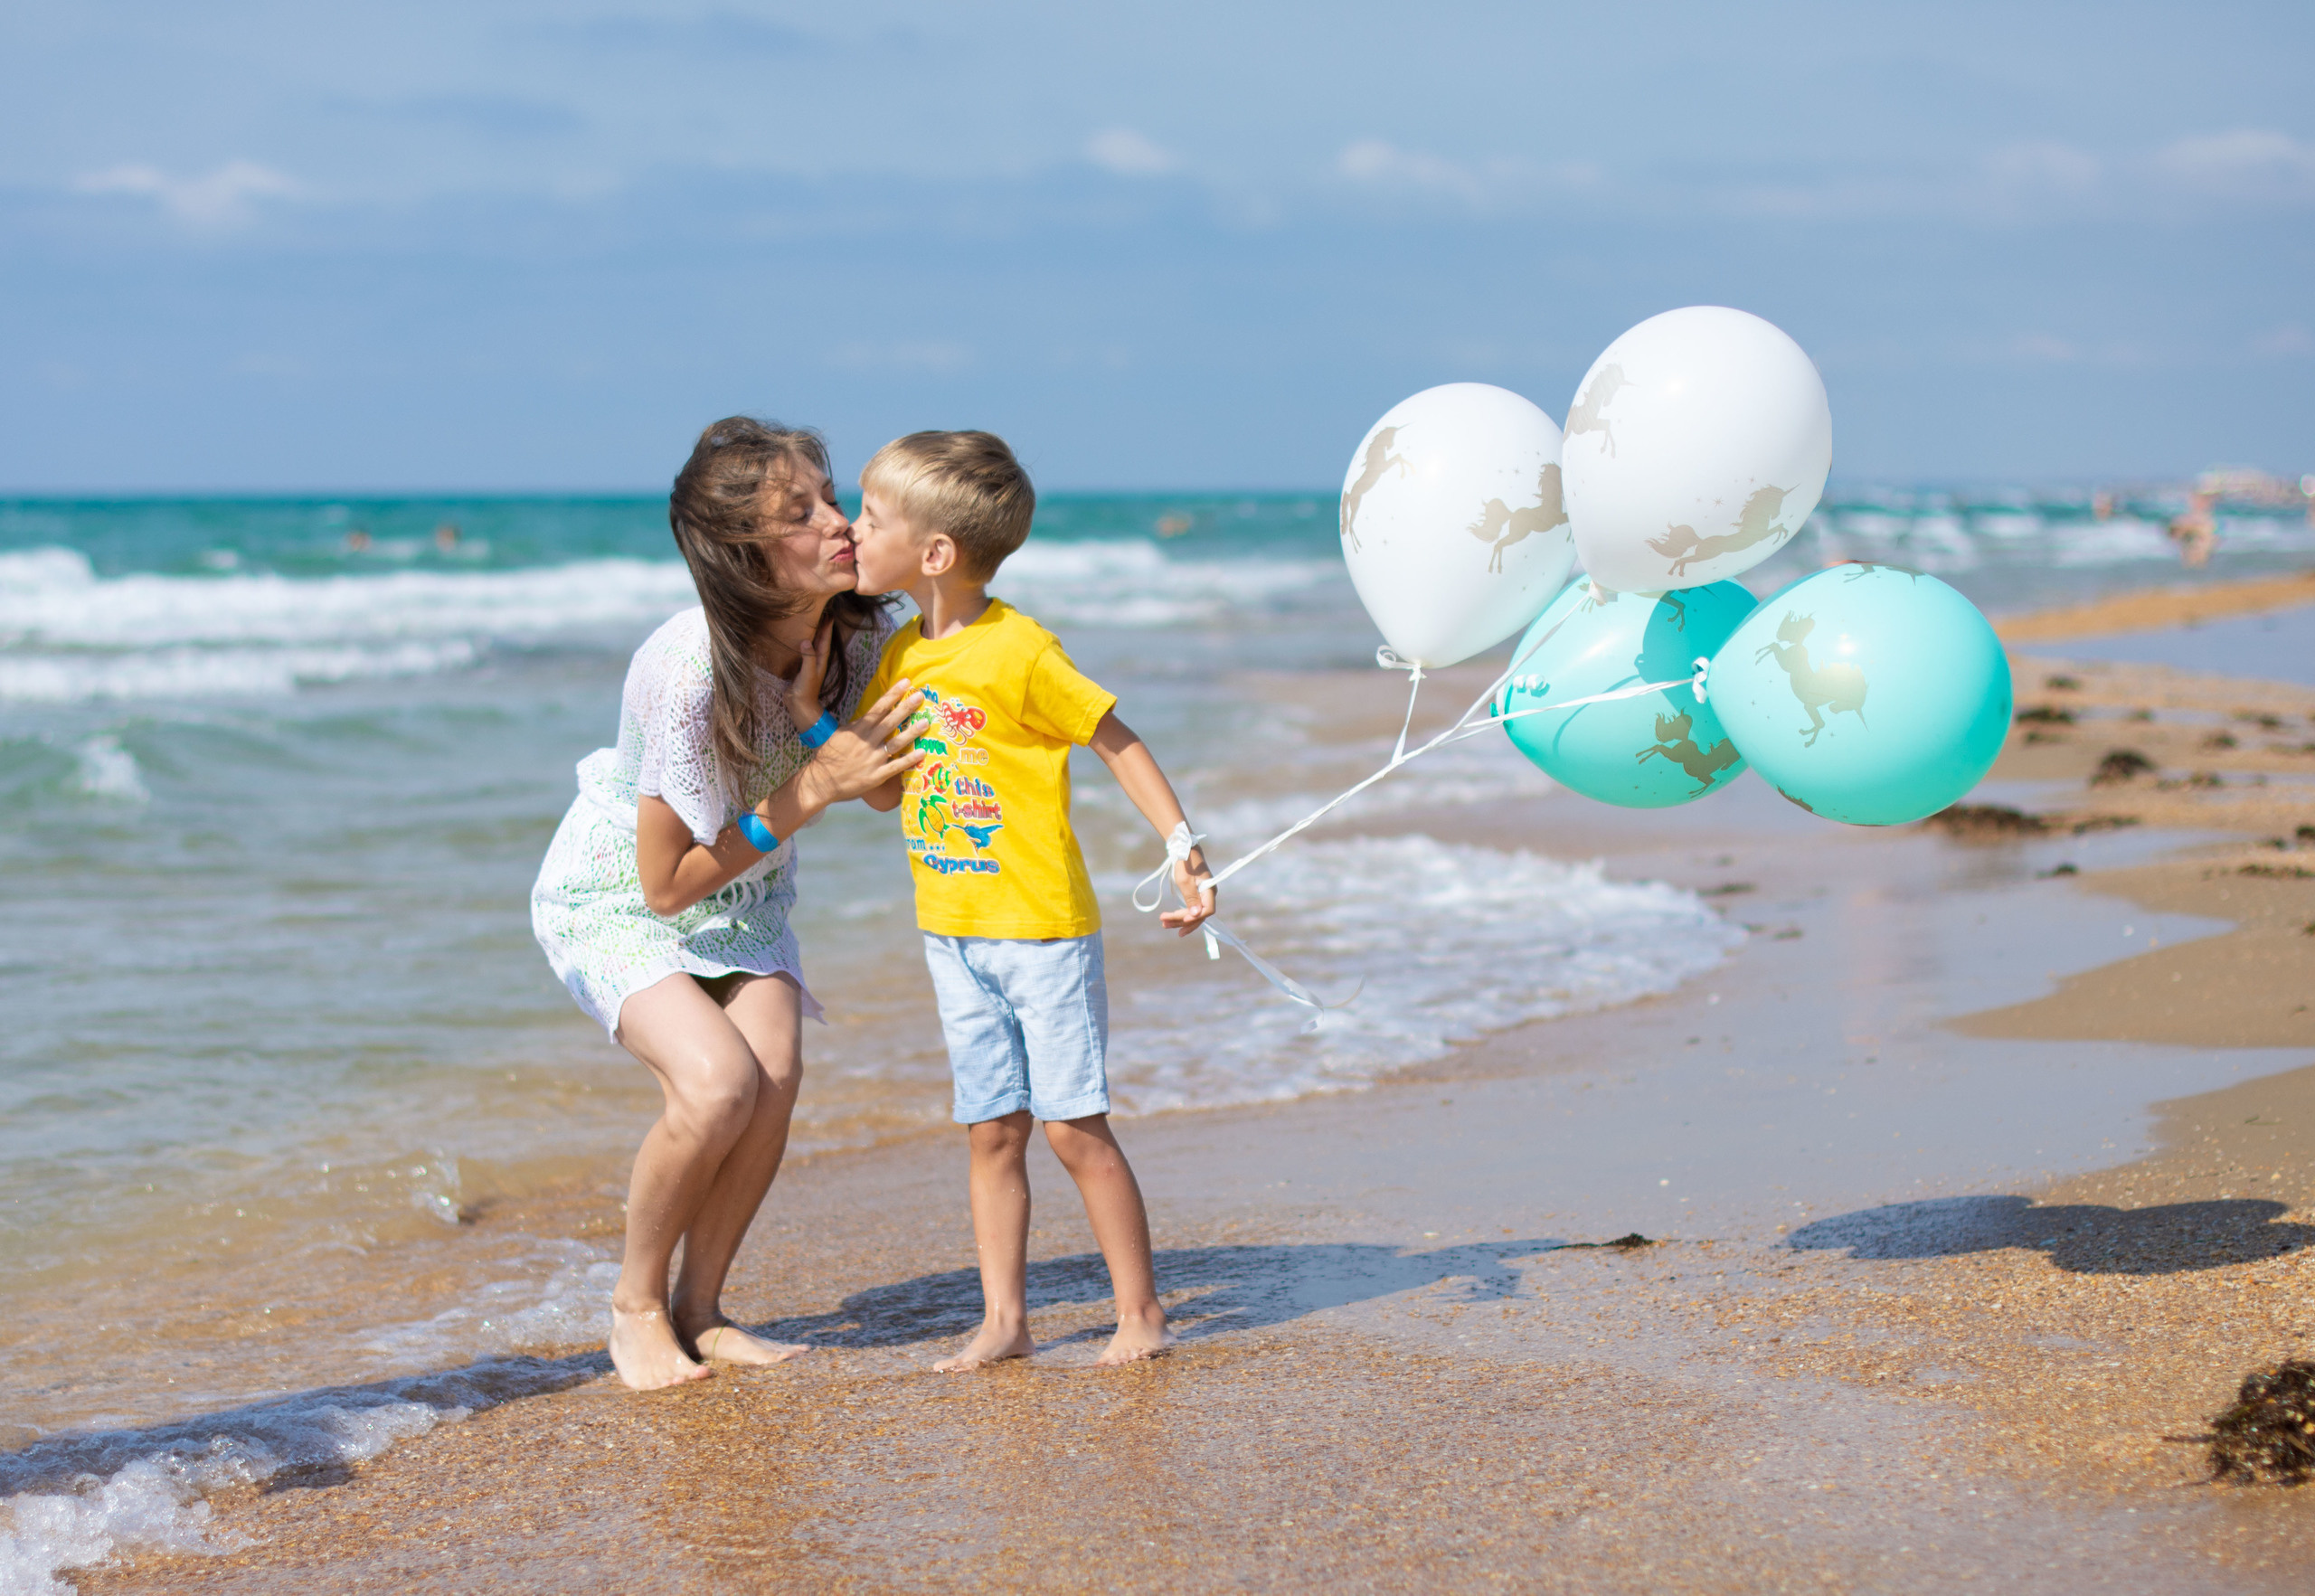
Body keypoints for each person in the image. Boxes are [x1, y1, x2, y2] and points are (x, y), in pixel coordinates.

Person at [530, 418, 923, 1390]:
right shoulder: (686, 668)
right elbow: (664, 883)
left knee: (774, 1075)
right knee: (716, 1086)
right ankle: (633, 1308)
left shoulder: (864, 629)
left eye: (831, 496)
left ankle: (700, 1311)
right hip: (619, 895)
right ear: (746, 554)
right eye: (802, 512)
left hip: (749, 897)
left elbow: (879, 789)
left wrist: (821, 733)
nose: (839, 522)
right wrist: (812, 785)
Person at [845, 430, 1215, 1372]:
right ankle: (1004, 1321)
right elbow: (885, 793)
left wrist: (1183, 847)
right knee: (991, 1131)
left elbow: (1114, 738)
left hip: (1042, 929)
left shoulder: (1021, 649)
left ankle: (1140, 1311)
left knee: (1071, 1128)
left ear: (935, 553)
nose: (853, 531)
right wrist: (844, 744)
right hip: (951, 932)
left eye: (871, 518)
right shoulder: (900, 656)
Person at [2168, 490, 2218, 568]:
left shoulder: (2209, 520)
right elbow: (2173, 533)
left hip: (2201, 552)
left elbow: (2210, 535)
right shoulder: (2183, 519)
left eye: (2201, 501)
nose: (2198, 503)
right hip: (2188, 551)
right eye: (2196, 500)